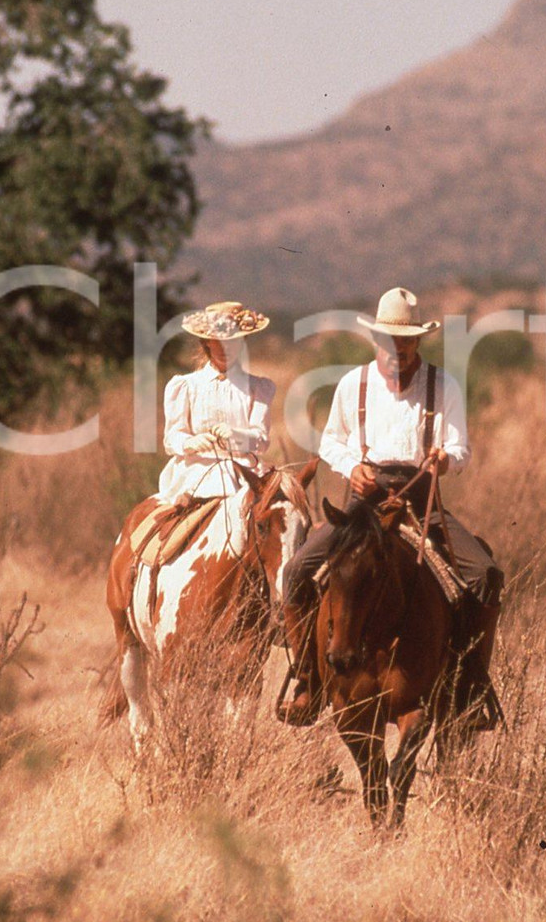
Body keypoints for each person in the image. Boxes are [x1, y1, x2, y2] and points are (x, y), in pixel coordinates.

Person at [277, 286, 503, 727]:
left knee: (485, 574)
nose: (396, 349)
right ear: (376, 340)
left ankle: (469, 688)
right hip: (363, 502)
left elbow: (460, 447)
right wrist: (351, 467)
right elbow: (331, 442)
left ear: (418, 340)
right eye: (388, 340)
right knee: (297, 571)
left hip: (422, 501)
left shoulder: (444, 385)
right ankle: (307, 680)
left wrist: (444, 458)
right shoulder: (352, 385)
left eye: (405, 340)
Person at [156, 300, 275, 505]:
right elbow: (172, 436)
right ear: (207, 342)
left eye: (232, 341)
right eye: (217, 341)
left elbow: (261, 439)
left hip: (244, 472)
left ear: (243, 341)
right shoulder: (186, 386)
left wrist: (237, 436)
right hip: (195, 471)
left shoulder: (257, 388)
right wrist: (189, 443)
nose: (225, 348)